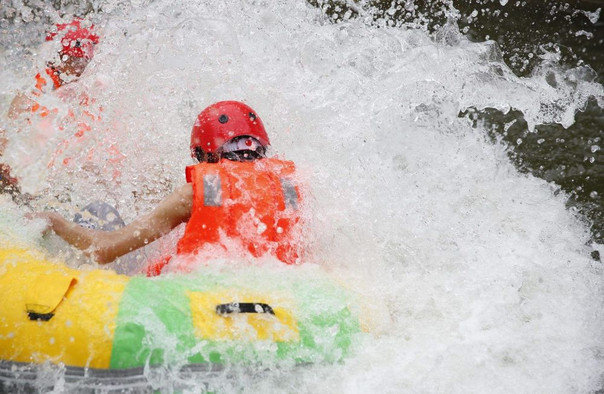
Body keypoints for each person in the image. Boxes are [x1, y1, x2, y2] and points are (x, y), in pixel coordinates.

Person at [37, 101, 304, 275]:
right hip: (273, 303)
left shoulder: (195, 193)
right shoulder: (291, 188)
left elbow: (104, 249)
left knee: (98, 212)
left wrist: (55, 222)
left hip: (195, 305)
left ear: (204, 153)